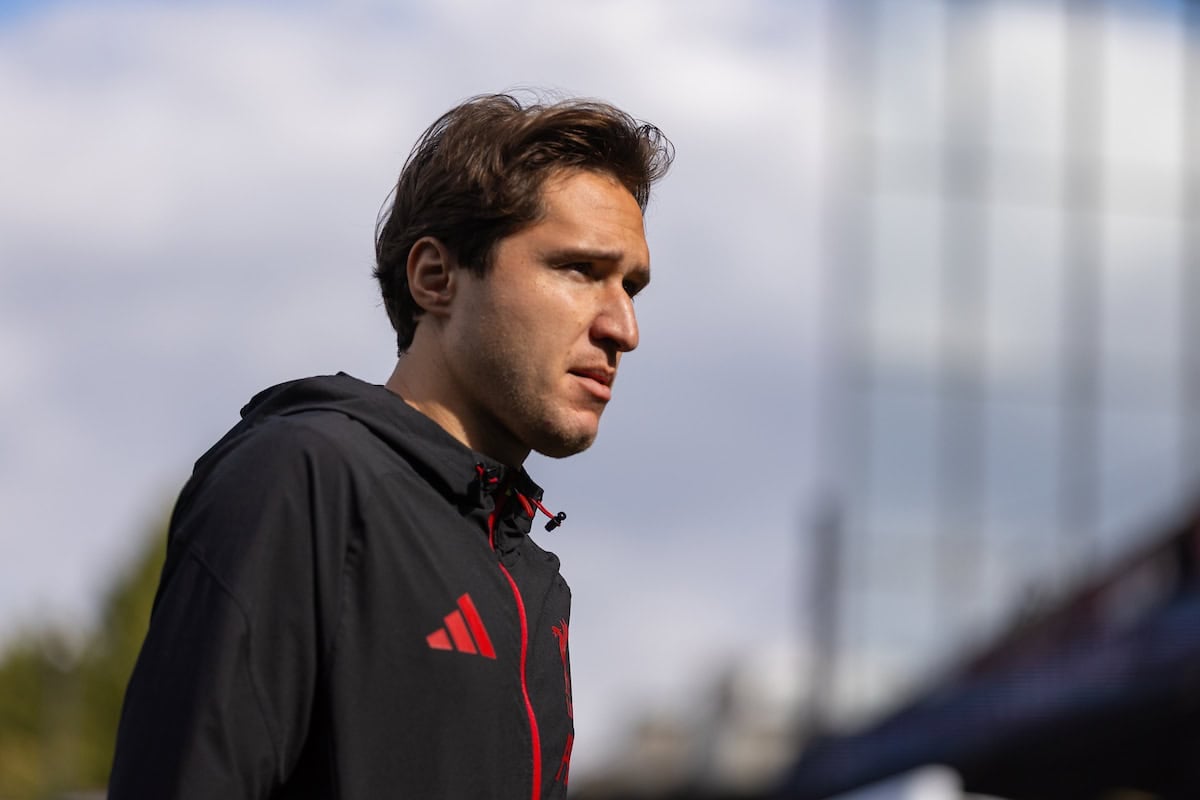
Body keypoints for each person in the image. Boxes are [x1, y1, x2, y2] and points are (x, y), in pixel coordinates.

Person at [108, 93, 673, 799]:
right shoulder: (303, 477)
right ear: (436, 277)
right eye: (580, 270)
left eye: (632, 287)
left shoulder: (532, 578)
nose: (624, 328)